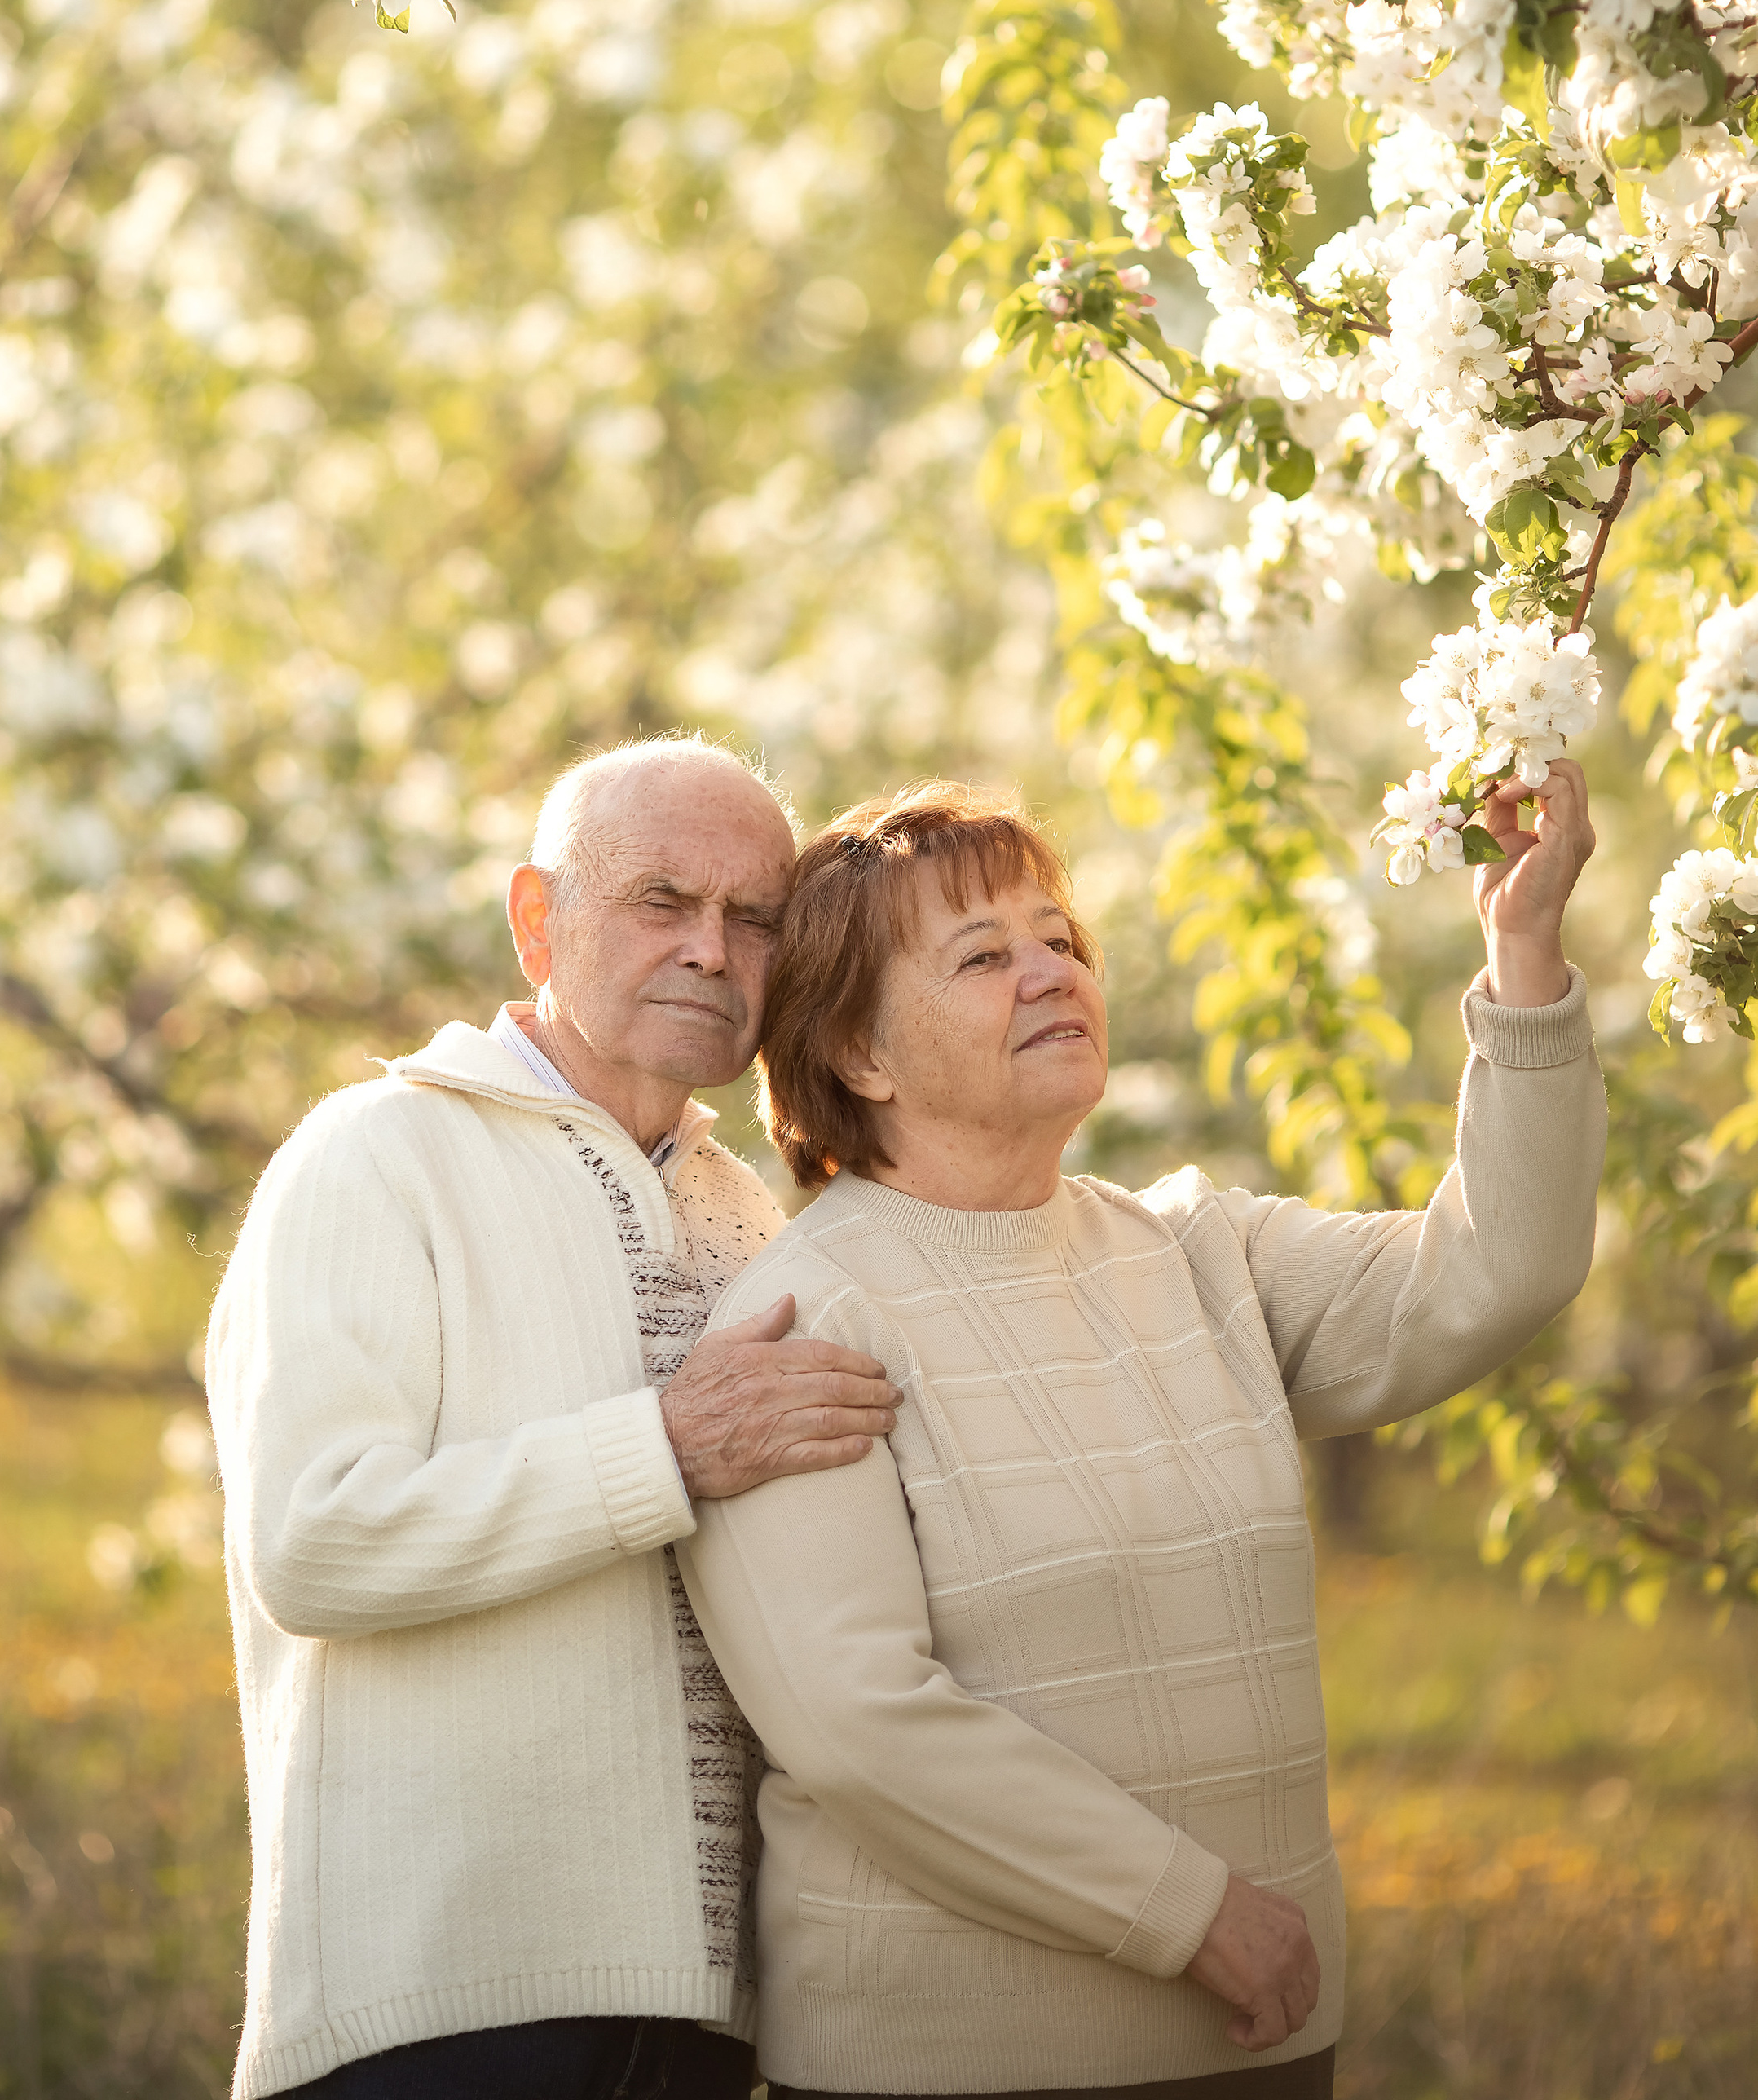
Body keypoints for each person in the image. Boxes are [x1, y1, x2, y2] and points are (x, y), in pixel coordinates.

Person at [680, 768, 1606, 2100]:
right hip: (953, 2068)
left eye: (1061, 938)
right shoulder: (802, 1318)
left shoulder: (1195, 1250)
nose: (1052, 972)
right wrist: (1195, 1917)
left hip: (1266, 2043)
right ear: (859, 1054)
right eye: (983, 955)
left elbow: (1502, 1268)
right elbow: (860, 1724)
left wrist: (1521, 957)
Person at [205, 735, 901, 2100]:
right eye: (661, 900)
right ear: (538, 921)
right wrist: (666, 1449)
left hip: (708, 2022)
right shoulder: (374, 1154)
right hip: (441, 2013)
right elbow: (312, 1542)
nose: (710, 950)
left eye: (756, 918)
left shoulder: (750, 1214)